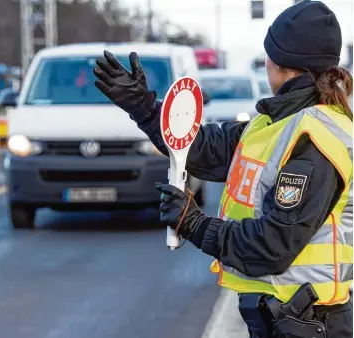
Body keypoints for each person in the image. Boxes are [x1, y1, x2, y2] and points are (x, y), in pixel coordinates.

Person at [93, 1, 353, 336]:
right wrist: (143, 107)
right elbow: (197, 145)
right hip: (287, 320)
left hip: (311, 323)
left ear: (278, 63)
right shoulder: (270, 124)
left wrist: (194, 224)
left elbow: (272, 246)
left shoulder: (314, 140)